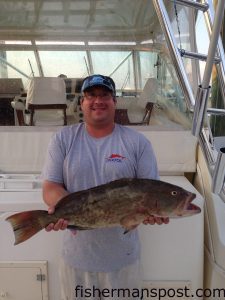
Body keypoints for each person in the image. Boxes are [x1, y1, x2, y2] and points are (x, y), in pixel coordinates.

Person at [42, 74, 169, 300]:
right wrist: (61, 210)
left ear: (114, 102)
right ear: (81, 102)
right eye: (91, 96)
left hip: (123, 261)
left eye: (105, 95)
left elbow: (150, 191)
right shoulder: (63, 139)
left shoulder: (137, 143)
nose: (97, 101)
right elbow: (50, 186)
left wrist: (151, 214)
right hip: (76, 259)